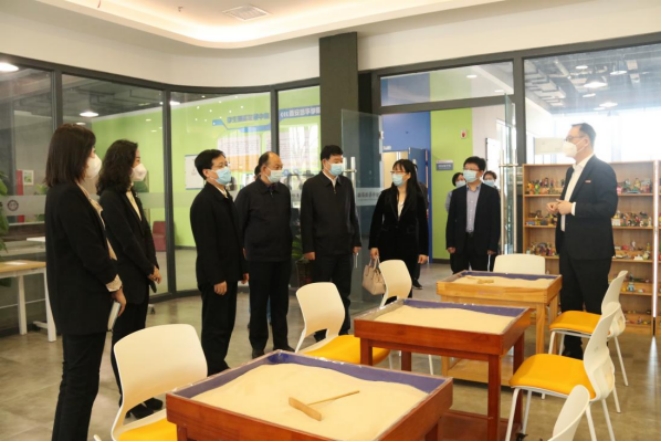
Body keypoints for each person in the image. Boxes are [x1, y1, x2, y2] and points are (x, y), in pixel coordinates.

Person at [45, 124, 126, 441]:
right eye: (91, 152)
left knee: (76, 381)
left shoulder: (66, 191)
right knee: (81, 384)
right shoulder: (68, 195)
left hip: (77, 304)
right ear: (75, 154)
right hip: (81, 304)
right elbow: (90, 252)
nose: (95, 158)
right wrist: (115, 285)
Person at [97, 140, 162, 419]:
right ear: (122, 162)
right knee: (124, 341)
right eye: (136, 160)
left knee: (138, 339)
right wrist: (147, 267)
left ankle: (141, 393)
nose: (140, 165)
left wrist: (153, 263)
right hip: (128, 276)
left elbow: (144, 232)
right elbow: (125, 240)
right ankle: (129, 399)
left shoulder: (130, 192)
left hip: (141, 275)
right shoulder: (110, 197)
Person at [546, 123, 617, 360]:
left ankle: (598, 353)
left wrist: (572, 208)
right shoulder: (571, 171)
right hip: (568, 247)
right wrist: (559, 205)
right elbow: (570, 203)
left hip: (592, 251)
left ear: (585, 141)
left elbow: (607, 208)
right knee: (569, 300)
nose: (566, 142)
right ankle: (572, 349)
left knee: (595, 302)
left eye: (570, 138)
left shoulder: (602, 170)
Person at [190, 149, 248, 375]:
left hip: (230, 272)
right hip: (216, 276)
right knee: (215, 324)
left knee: (226, 322)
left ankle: (218, 362)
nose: (226, 169)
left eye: (226, 164)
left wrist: (243, 268)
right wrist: (217, 278)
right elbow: (206, 245)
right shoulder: (204, 202)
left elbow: (236, 237)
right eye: (220, 165)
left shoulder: (225, 196)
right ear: (207, 172)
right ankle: (211, 367)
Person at [236, 152, 294, 358]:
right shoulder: (247, 194)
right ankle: (258, 344)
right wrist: (242, 259)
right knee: (259, 303)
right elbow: (238, 227)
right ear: (263, 169)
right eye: (276, 167)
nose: (280, 171)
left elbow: (287, 220)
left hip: (282, 257)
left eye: (281, 167)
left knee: (281, 303)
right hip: (258, 258)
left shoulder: (283, 191)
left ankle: (281, 342)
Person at [301, 145, 361, 340]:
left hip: (344, 248)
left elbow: (352, 214)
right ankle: (321, 331)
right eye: (336, 161)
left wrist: (356, 240)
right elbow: (306, 219)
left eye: (341, 161)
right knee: (321, 292)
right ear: (324, 162)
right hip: (321, 249)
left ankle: (342, 329)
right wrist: (308, 248)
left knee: (343, 292)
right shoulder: (311, 185)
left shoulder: (346, 183)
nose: (339, 164)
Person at [369, 159, 429, 297]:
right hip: (387, 244)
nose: (395, 174)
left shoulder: (417, 197)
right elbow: (376, 220)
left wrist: (423, 251)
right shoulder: (385, 195)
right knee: (389, 282)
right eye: (394, 171)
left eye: (399, 171)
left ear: (408, 175)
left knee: (405, 282)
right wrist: (373, 245)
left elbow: (423, 224)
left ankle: (405, 307)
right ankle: (389, 307)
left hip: (409, 245)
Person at [446, 156, 500, 272]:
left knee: (479, 275)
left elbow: (495, 220)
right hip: (460, 242)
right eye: (466, 169)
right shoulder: (457, 193)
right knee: (458, 275)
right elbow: (451, 220)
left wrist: (492, 245)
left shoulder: (491, 193)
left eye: (472, 169)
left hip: (481, 242)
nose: (468, 172)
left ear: (481, 172)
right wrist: (450, 243)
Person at [411, 179, 429, 289]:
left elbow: (425, 204)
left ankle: (415, 278)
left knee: (416, 253)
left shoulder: (422, 187)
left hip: (416, 224)